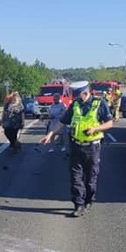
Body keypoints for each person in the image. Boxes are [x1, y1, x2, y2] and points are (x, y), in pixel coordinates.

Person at [40, 83, 114, 217]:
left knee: (91, 178)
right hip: (75, 146)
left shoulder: (99, 103)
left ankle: (89, 200)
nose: (78, 98)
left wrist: (95, 129)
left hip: (92, 146)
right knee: (75, 177)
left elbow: (110, 123)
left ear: (86, 92)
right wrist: (50, 134)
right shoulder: (75, 105)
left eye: (80, 94)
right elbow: (62, 122)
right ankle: (78, 204)